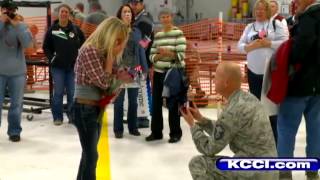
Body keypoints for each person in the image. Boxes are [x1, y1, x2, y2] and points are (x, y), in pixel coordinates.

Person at [181, 62, 278, 180]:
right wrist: (201, 119)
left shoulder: (232, 110)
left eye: (215, 77)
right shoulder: (249, 99)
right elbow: (225, 129)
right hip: (270, 170)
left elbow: (209, 148)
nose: (213, 80)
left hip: (252, 173)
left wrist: (192, 125)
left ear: (226, 82)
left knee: (198, 164)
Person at [73, 17, 131, 180]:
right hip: (84, 109)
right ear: (109, 34)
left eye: (121, 41)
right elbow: (105, 83)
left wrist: (119, 79)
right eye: (117, 40)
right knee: (91, 156)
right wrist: (114, 71)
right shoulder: (90, 51)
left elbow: (110, 92)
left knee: (88, 156)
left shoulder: (103, 54)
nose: (119, 45)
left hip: (95, 109)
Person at [277, 0, 320, 179]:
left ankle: (285, 172)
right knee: (316, 130)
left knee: (286, 128)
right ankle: (312, 171)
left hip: (299, 85)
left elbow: (299, 49)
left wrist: (288, 53)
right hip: (317, 86)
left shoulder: (310, 17)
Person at [237, 0, 288, 144]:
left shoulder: (275, 25)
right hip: (253, 73)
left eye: (262, 9)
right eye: (257, 9)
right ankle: (258, 141)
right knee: (256, 109)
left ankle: (274, 143)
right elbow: (239, 46)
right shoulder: (249, 27)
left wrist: (269, 43)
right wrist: (250, 47)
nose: (259, 12)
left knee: (271, 110)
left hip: (270, 74)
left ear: (267, 11)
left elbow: (285, 44)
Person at [146, 8, 187, 143]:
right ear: (160, 19)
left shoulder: (178, 33)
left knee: (173, 104)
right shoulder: (157, 36)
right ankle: (156, 132)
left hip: (172, 73)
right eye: (162, 17)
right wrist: (159, 55)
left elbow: (181, 55)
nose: (165, 19)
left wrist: (167, 53)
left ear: (172, 17)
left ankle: (175, 133)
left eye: (167, 16)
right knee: (156, 104)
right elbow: (151, 56)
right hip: (158, 73)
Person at [43, 4, 85, 125]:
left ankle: (72, 116)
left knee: (72, 92)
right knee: (59, 92)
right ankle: (57, 116)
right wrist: (52, 58)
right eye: (62, 11)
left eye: (66, 12)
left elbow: (84, 44)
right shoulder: (53, 29)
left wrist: (79, 58)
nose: (64, 14)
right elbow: (46, 46)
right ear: (59, 13)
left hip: (72, 67)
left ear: (69, 14)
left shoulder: (75, 30)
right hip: (58, 68)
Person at [113, 4, 148, 138]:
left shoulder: (137, 31)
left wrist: (144, 68)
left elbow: (140, 51)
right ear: (120, 15)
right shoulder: (115, 30)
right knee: (119, 102)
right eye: (124, 12)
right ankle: (118, 129)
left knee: (133, 102)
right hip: (120, 71)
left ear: (132, 15)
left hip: (135, 70)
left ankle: (133, 127)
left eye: (129, 12)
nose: (127, 14)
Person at [0, 0, 32, 142]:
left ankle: (14, 131)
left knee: (17, 104)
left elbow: (28, 44)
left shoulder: (21, 25)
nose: (9, 13)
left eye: (11, 10)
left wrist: (17, 26)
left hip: (18, 72)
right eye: (6, 10)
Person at [129, 0, 154, 128]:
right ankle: (141, 116)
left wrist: (138, 52)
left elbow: (147, 40)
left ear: (142, 4)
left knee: (142, 86)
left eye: (136, 3)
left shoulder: (144, 20)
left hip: (141, 61)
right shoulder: (137, 18)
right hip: (138, 59)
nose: (133, 5)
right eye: (132, 3)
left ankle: (143, 118)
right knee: (139, 86)